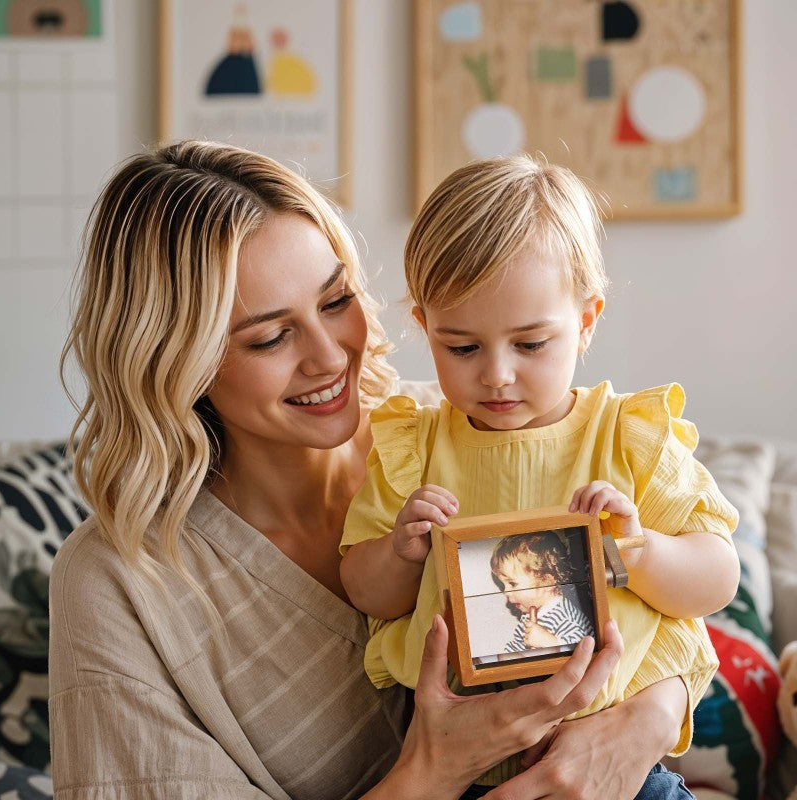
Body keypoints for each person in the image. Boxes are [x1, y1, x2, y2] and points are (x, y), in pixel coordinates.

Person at [49, 140, 694, 800]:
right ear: (173, 361)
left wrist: (645, 721)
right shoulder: (118, 581)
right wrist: (434, 769)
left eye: (336, 301)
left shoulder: (444, 428)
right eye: (270, 337)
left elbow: (665, 605)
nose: (331, 358)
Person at [339, 155, 741, 797]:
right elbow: (365, 593)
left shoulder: (629, 436)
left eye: (530, 344)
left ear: (586, 321)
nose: (497, 374)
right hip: (466, 772)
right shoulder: (412, 446)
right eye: (462, 347)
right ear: (425, 327)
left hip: (623, 769)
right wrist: (399, 552)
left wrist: (637, 549)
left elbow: (717, 577)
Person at [489, 531, 595, 654]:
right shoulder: (527, 617)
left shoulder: (565, 617)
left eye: (512, 584)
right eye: (503, 585)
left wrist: (550, 643)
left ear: (547, 581)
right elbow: (516, 647)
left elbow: (586, 650)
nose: (506, 591)